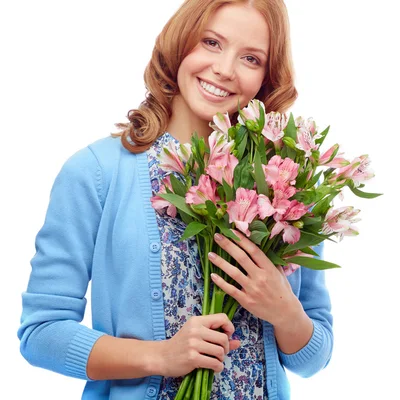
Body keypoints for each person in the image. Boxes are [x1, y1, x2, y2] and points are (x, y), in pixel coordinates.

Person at [17, 1, 334, 399]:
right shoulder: (96, 173)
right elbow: (41, 334)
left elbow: (314, 357)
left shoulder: (284, 185)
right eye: (212, 42)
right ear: (180, 42)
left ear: (266, 79)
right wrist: (160, 357)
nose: (225, 68)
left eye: (251, 58)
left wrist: (285, 311)